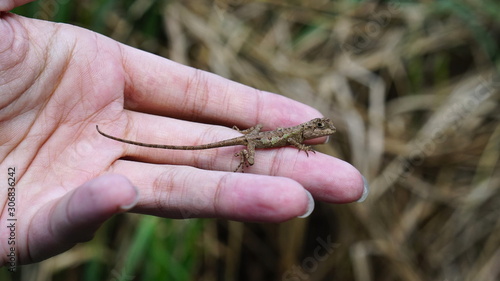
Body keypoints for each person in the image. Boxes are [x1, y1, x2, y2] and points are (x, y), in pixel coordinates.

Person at [0, 1, 368, 268]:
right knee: (242, 151)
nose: (323, 131)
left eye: (321, 129)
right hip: (253, 140)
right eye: (322, 128)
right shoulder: (297, 135)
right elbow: (289, 139)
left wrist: (273, 138)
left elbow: (294, 139)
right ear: (312, 129)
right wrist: (246, 146)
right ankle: (242, 156)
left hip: (256, 136)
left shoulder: (300, 134)